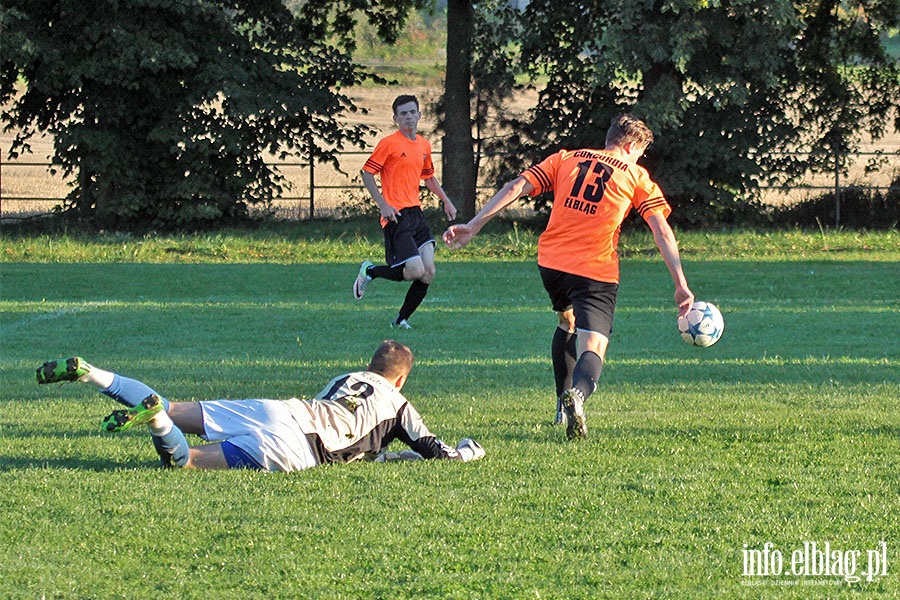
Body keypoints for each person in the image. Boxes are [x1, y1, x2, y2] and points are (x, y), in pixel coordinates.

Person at [442, 114, 694, 440]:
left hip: (551, 263)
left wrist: (473, 225)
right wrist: (680, 283)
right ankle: (577, 395)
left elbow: (516, 186)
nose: (639, 158)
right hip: (594, 269)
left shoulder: (566, 159)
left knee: (567, 322)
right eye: (639, 152)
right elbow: (660, 228)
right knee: (594, 344)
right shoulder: (635, 175)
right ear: (631, 146)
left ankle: (562, 408)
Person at [35, 341, 485, 470]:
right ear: (402, 378)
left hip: (284, 409)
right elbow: (431, 449)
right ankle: (154, 420)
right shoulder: (400, 404)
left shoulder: (345, 378)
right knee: (187, 461)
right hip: (301, 447)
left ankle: (92, 372)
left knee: (173, 407)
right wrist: (467, 451)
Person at [353, 94, 458, 329]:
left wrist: (446, 200)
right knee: (414, 270)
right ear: (396, 119)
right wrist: (383, 205)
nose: (409, 117)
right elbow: (367, 174)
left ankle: (401, 320)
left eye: (412, 112)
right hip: (396, 215)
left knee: (428, 272)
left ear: (419, 115)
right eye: (403, 114)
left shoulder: (423, 145)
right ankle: (371, 271)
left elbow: (428, 177)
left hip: (416, 214)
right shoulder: (389, 143)